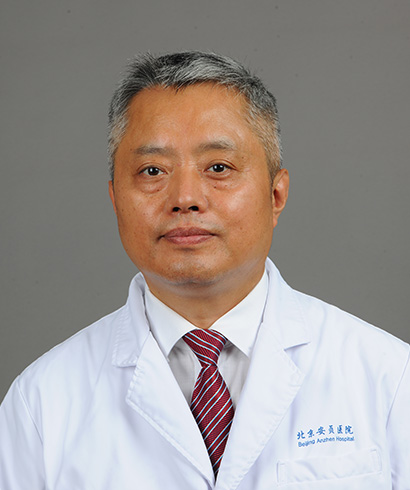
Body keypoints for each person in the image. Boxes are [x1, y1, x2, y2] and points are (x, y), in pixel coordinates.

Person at [0, 51, 409, 489]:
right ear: (115, 199)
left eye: (218, 167)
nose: (185, 198)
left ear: (276, 194)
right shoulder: (41, 404)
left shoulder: (389, 379)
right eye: (152, 170)